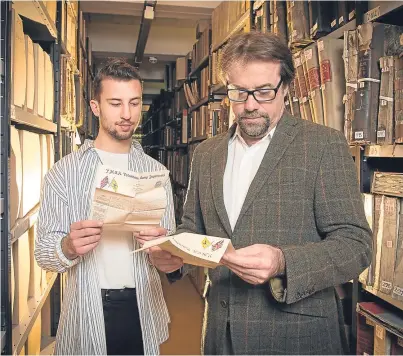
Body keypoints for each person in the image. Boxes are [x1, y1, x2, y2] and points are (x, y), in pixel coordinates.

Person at [137, 32, 372, 355]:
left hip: (296, 337)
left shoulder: (323, 146)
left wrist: (282, 261)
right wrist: (174, 256)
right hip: (221, 334)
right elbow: (194, 228)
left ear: (286, 88)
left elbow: (356, 246)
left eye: (264, 92)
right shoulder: (207, 153)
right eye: (238, 92)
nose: (249, 105)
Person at [35, 59, 175, 355]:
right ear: (95, 107)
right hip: (87, 311)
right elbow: (44, 254)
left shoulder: (157, 173)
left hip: (144, 308)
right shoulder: (64, 172)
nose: (127, 115)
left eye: (134, 103)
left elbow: (171, 249)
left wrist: (168, 255)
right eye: (115, 103)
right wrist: (68, 246)